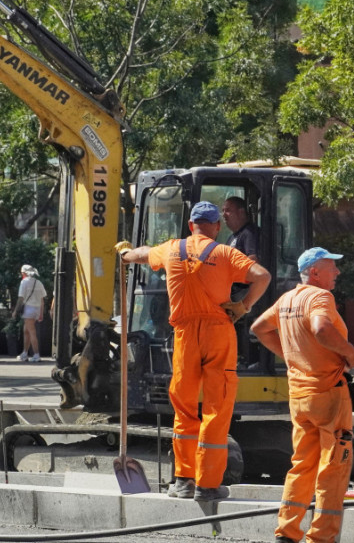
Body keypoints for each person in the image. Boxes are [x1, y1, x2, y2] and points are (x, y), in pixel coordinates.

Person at [116, 200, 271, 502]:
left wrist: (124, 255)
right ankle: (208, 485)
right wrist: (243, 306)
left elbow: (144, 254)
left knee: (184, 407)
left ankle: (184, 480)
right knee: (217, 406)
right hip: (218, 332)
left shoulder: (172, 248)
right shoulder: (225, 252)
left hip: (184, 335)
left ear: (190, 225)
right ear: (215, 227)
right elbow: (262, 276)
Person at [251, 247, 354, 543]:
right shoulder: (319, 297)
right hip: (328, 393)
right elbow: (321, 329)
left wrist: (289, 355)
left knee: (302, 464)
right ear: (314, 272)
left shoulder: (287, 299)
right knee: (333, 466)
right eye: (331, 267)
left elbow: (259, 327)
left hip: (299, 395)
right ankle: (321, 537)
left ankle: (287, 532)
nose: (337, 272)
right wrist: (350, 353)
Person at [12, 264, 47, 363]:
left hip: (28, 309)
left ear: (23, 273)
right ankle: (24, 353)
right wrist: (41, 313)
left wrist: (15, 311)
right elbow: (42, 299)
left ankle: (36, 354)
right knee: (26, 331)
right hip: (36, 309)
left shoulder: (24, 282)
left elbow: (21, 298)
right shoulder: (39, 282)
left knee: (31, 331)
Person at [222, 196, 258, 261]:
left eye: (228, 210)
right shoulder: (232, 237)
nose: (223, 215)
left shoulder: (250, 233)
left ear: (241, 212)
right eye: (223, 211)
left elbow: (253, 261)